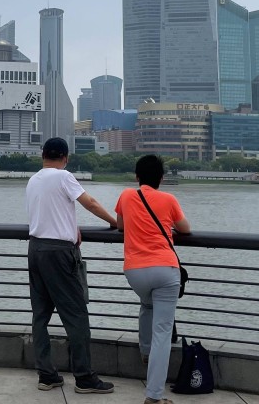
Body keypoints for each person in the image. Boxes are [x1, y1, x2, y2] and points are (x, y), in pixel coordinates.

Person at [26, 137, 118, 394]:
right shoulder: (63, 176)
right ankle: (84, 377)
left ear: (42, 155)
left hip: (36, 249)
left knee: (40, 315)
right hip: (59, 253)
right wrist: (116, 223)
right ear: (65, 157)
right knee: (76, 315)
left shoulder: (33, 180)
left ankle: (46, 375)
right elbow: (90, 203)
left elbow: (47, 212)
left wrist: (70, 226)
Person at [114, 155, 192, 404]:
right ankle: (154, 397)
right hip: (164, 269)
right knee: (163, 332)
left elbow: (120, 225)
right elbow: (185, 229)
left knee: (147, 305)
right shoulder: (169, 199)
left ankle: (146, 353)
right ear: (161, 178)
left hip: (134, 271)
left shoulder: (127, 195)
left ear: (137, 177)